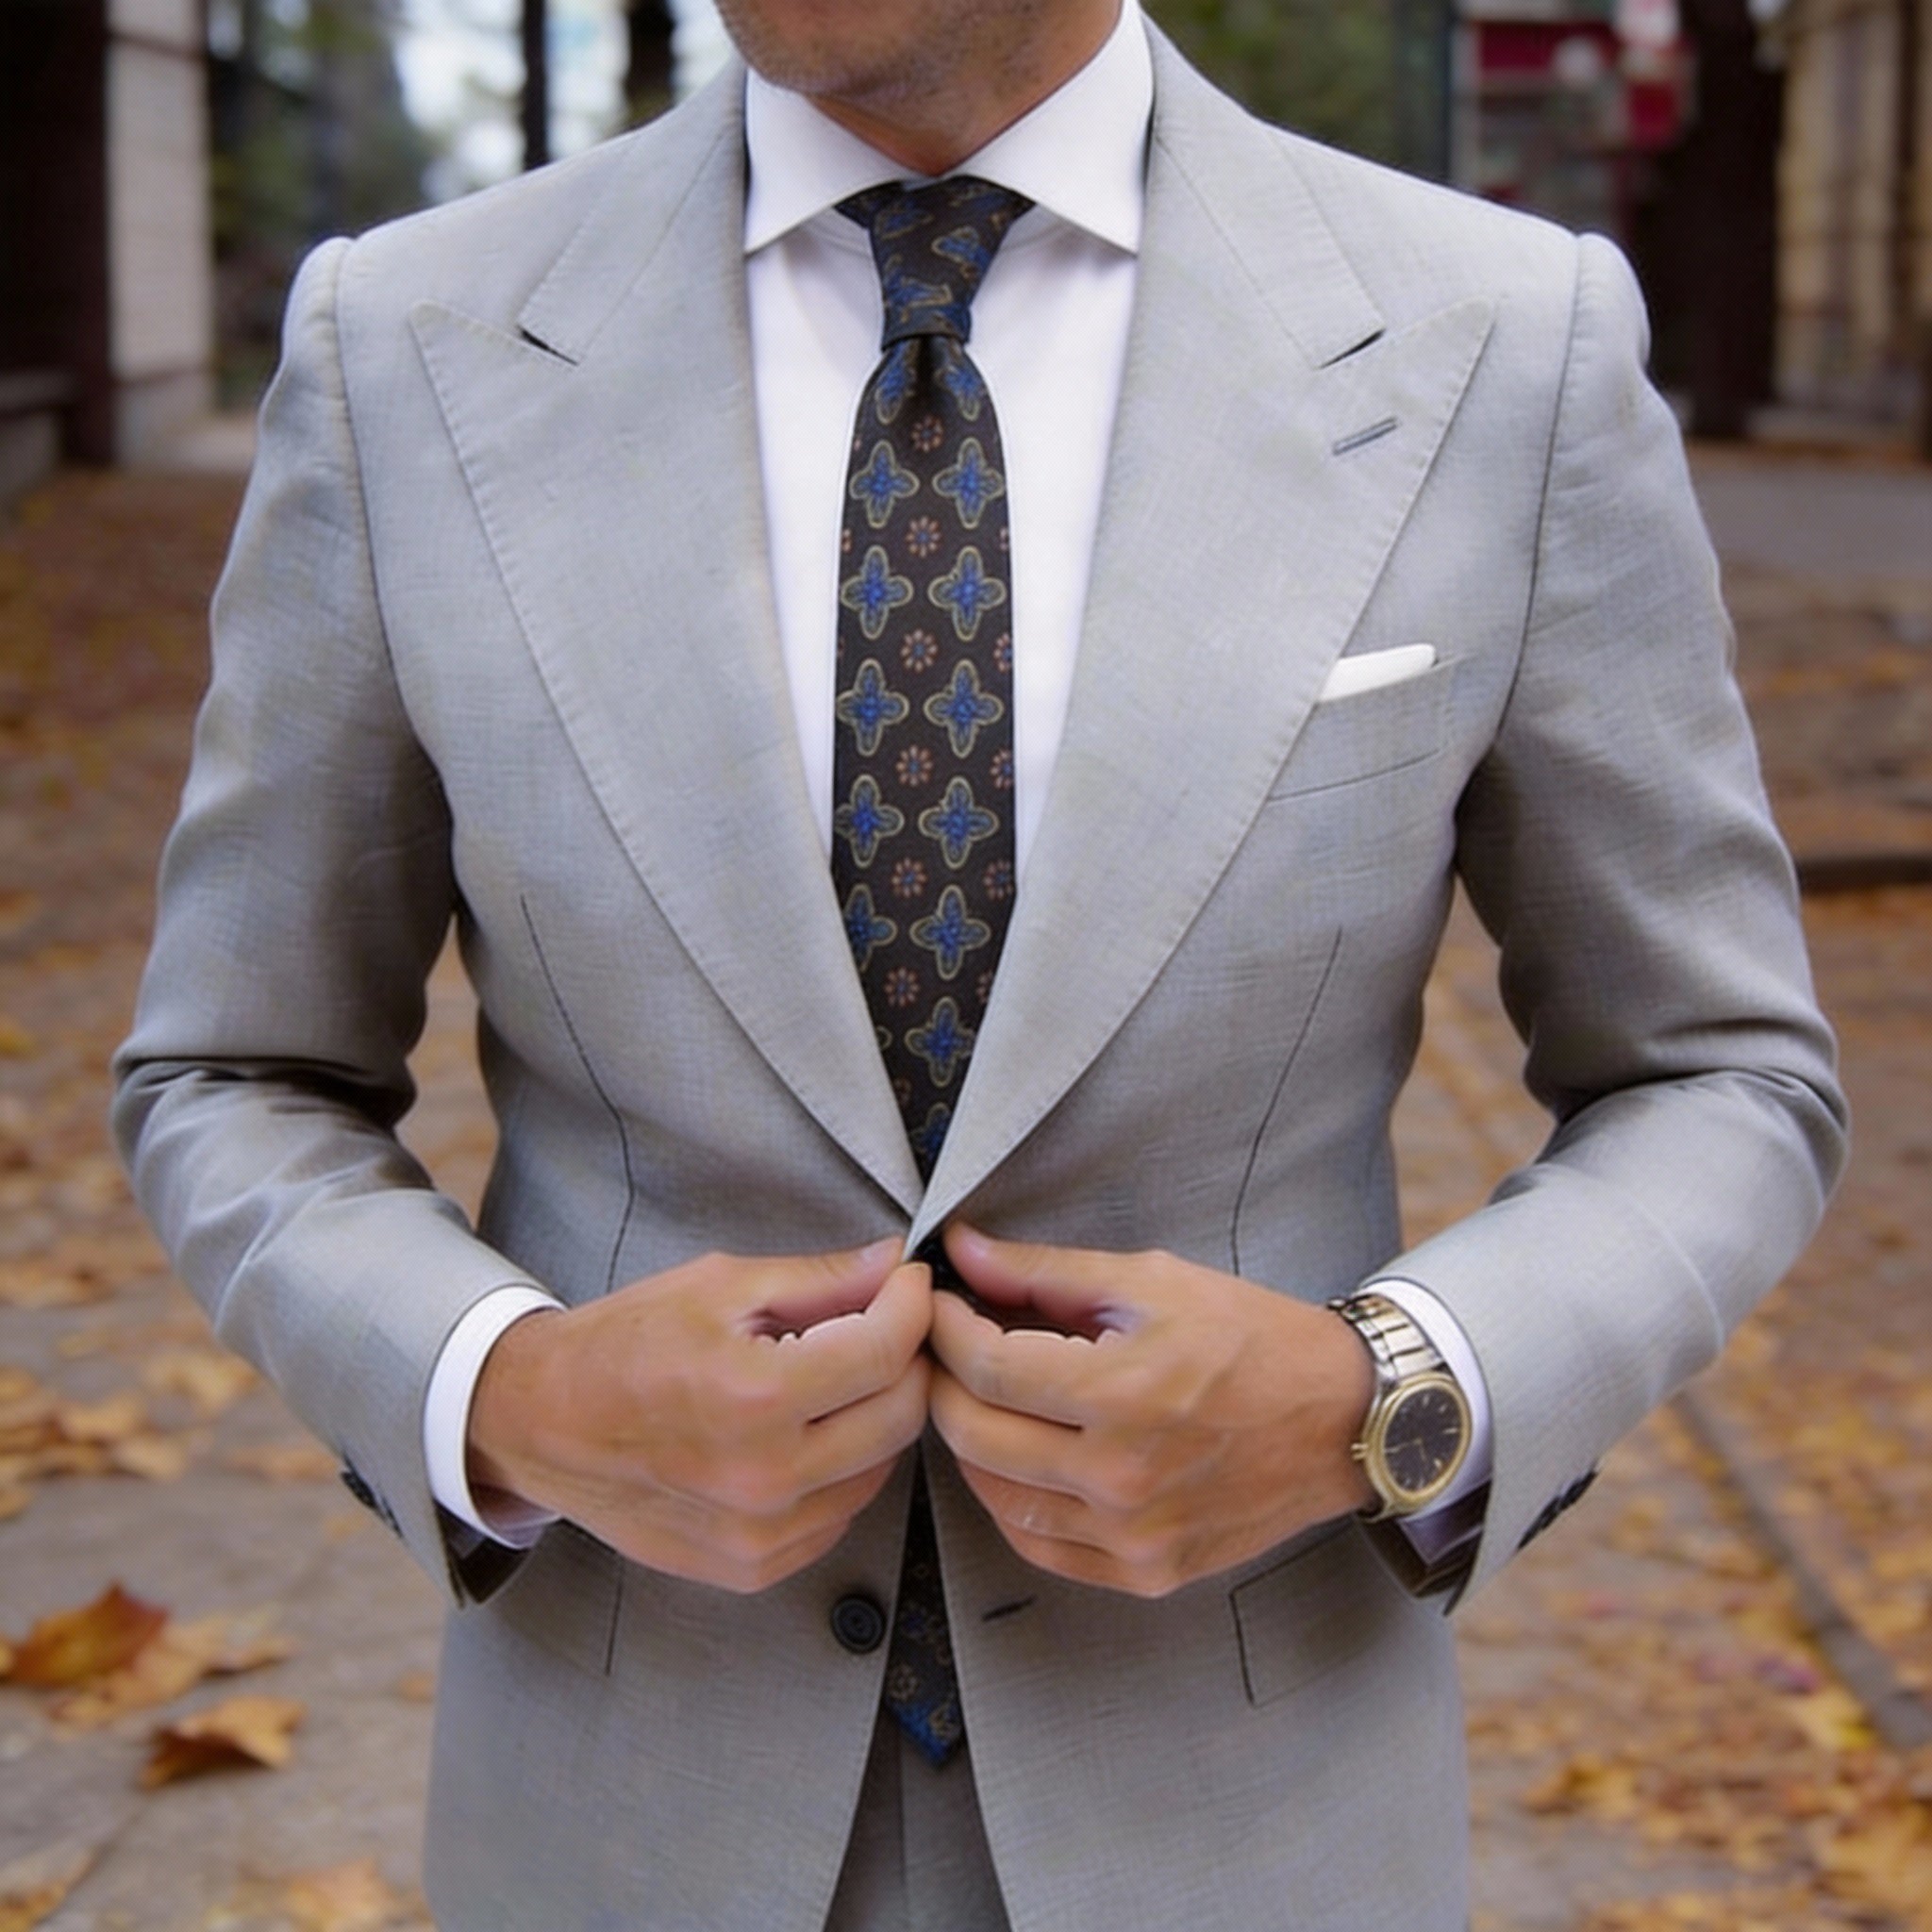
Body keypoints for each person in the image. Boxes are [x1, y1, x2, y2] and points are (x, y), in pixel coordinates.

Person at [112, 1, 1846, 1926]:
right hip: (628, 1808)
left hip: (1243, 1808)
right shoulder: (403, 345)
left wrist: (1391, 1396)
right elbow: (235, 1066)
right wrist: (502, 1394)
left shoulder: (1500, 344)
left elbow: (1716, 1072)